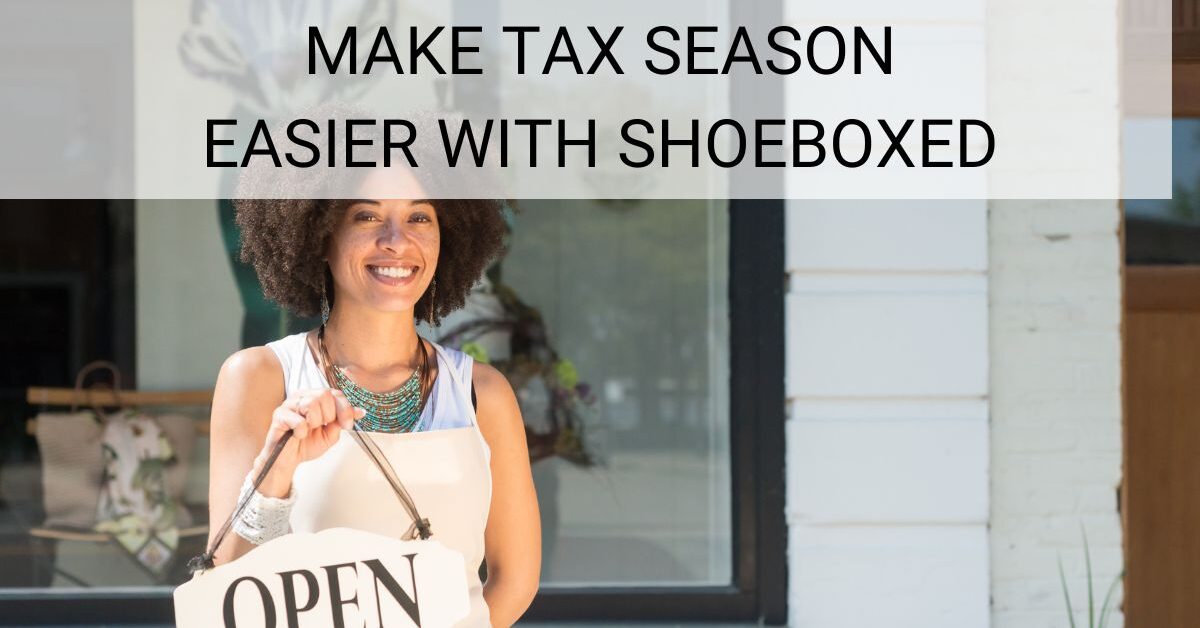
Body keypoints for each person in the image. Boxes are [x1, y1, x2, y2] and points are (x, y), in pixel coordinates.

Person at [204, 168, 541, 627]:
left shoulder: (483, 394)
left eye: (420, 218)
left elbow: (515, 580)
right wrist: (276, 468)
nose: (396, 240)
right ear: (320, 236)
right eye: (366, 216)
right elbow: (227, 580)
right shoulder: (261, 377)